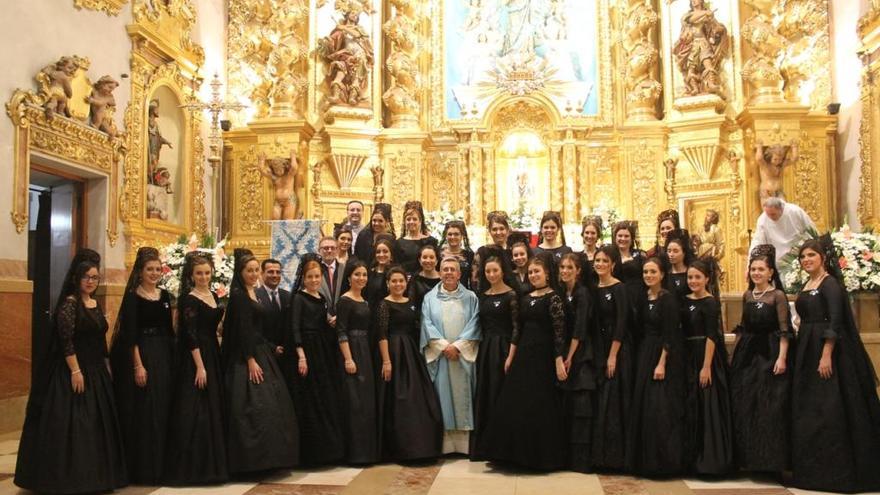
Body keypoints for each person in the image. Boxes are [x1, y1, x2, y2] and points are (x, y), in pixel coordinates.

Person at [15, 257, 128, 493]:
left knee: (97, 425)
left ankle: (97, 476)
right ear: (77, 279)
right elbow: (66, 341)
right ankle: (69, 478)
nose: (91, 281)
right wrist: (75, 370)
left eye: (95, 277)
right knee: (75, 424)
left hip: (96, 369)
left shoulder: (94, 303)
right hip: (73, 369)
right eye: (86, 277)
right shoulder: (69, 303)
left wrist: (107, 365)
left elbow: (99, 339)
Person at [790, 237, 880, 492]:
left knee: (830, 410)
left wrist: (826, 353)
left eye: (811, 256)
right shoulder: (808, 283)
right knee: (810, 410)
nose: (806, 260)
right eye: (803, 257)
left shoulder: (830, 285)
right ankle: (813, 471)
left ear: (823, 258)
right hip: (807, 350)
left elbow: (836, 321)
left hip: (827, 354)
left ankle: (837, 473)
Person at [481, 253, 568, 470]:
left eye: (537, 271)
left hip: (544, 355)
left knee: (539, 403)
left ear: (547, 273)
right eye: (530, 272)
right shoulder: (526, 297)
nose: (533, 275)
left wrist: (558, 360)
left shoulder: (554, 298)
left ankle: (538, 456)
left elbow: (559, 332)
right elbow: (517, 329)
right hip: (523, 356)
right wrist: (511, 356)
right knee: (515, 401)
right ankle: (511, 455)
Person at [222, 249, 299, 474]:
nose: (254, 274)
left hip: (261, 351)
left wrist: (270, 347)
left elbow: (256, 330)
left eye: (256, 270)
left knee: (273, 407)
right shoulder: (238, 294)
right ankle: (252, 462)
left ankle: (270, 459)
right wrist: (250, 360)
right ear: (241, 272)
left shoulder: (252, 291)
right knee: (253, 407)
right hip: (247, 356)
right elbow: (243, 331)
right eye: (250, 270)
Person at [110, 246, 174, 484]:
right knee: (146, 411)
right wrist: (138, 365)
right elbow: (130, 334)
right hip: (143, 354)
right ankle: (143, 468)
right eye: (150, 269)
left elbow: (169, 330)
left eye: (158, 269)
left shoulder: (165, 296)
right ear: (140, 271)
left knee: (163, 407)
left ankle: (162, 466)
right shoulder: (132, 297)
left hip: (164, 355)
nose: (155, 273)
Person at [164, 252, 228, 484]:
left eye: (207, 273)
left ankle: (214, 465)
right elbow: (190, 335)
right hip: (196, 356)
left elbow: (215, 327)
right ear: (191, 276)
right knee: (195, 409)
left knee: (213, 408)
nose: (203, 277)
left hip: (213, 351)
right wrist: (200, 367)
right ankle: (193, 468)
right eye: (199, 273)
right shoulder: (189, 299)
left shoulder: (212, 294)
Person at [730, 245, 792, 474]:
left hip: (770, 353)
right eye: (753, 269)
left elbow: (784, 329)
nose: (756, 273)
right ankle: (750, 459)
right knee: (747, 404)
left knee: (769, 407)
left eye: (760, 269)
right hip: (748, 354)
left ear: (770, 273)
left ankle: (770, 462)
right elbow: (743, 327)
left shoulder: (777, 296)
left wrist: (782, 358)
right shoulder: (747, 295)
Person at [376, 267, 444, 461]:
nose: (398, 284)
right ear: (388, 284)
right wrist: (387, 361)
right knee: (398, 399)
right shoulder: (384, 304)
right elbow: (382, 334)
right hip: (394, 352)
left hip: (411, 352)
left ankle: (421, 446)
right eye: (394, 281)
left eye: (401, 281)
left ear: (406, 284)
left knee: (419, 399)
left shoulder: (411, 303)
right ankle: (399, 448)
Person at [626, 256, 686, 475]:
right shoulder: (644, 297)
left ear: (662, 275)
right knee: (644, 407)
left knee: (659, 409)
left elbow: (670, 333)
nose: (648, 276)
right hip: (645, 352)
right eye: (645, 272)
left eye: (653, 272)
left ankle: (663, 463)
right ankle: (644, 461)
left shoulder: (667, 299)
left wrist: (662, 363)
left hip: (662, 355)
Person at [288, 254, 346, 466]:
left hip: (322, 352)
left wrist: (330, 322)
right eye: (310, 276)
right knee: (311, 399)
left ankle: (329, 451)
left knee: (325, 397)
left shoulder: (321, 299)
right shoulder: (299, 299)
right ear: (303, 278)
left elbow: (321, 324)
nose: (314, 280)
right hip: (308, 352)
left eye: (317, 276)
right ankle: (312, 454)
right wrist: (301, 355)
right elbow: (295, 327)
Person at [421, 257, 481, 454]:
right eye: (445, 269)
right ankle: (445, 446)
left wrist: (458, 347)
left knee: (463, 397)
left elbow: (475, 324)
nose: (448, 273)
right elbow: (426, 325)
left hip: (462, 357)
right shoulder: (430, 298)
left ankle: (463, 447)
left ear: (459, 274)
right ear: (439, 272)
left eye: (452, 270)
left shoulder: (471, 297)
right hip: (441, 357)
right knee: (442, 397)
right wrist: (445, 347)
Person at [682, 260, 733, 474]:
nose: (693, 281)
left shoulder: (710, 302)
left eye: (697, 277)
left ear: (707, 279)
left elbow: (712, 335)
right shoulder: (683, 300)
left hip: (705, 356)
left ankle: (708, 461)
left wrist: (706, 366)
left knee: (706, 405)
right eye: (690, 277)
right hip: (687, 355)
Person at [471, 248, 518, 461]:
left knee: (500, 393)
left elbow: (517, 328)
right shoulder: (482, 295)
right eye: (488, 271)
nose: (491, 275)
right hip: (485, 349)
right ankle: (484, 446)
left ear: (502, 271)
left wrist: (510, 355)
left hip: (503, 349)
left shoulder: (511, 295)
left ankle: (502, 446)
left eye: (495, 271)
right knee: (485, 392)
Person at [591, 245, 634, 470]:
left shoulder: (619, 288)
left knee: (615, 401)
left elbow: (622, 322)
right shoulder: (593, 288)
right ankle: (602, 456)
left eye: (604, 261)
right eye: (597, 260)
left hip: (617, 350)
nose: (599, 264)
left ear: (613, 265)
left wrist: (613, 355)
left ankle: (618, 457)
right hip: (599, 347)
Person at [336, 260, 381, 464]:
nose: (361, 278)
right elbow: (341, 330)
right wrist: (348, 359)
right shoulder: (345, 300)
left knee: (365, 402)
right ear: (348, 278)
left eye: (364, 274)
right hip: (352, 350)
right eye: (357, 275)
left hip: (365, 350)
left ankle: (367, 452)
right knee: (354, 403)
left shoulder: (364, 301)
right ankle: (354, 454)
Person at [558, 253, 596, 473]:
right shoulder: (564, 292)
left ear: (578, 270)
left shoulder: (583, 293)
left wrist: (570, 356)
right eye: (562, 267)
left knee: (581, 408)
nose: (565, 271)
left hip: (580, 353)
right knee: (568, 407)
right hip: (565, 351)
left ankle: (581, 460)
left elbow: (580, 328)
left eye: (569, 267)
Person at [748, 197, 816, 264]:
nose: (770, 217)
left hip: (800, 255)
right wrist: (750, 262)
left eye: (773, 214)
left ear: (780, 209)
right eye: (768, 214)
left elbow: (811, 230)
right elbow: (757, 242)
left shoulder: (795, 211)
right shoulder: (763, 219)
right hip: (778, 260)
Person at [255, 258, 290, 360]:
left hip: (286, 353)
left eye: (278, 272)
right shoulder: (254, 296)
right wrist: (273, 348)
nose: (275, 275)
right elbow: (254, 329)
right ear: (262, 274)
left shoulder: (288, 296)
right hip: (263, 352)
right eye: (270, 272)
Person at [394, 200, 439, 274]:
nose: (411, 222)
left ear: (420, 221)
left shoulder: (431, 241)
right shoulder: (399, 243)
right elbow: (397, 265)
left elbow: (436, 264)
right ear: (405, 222)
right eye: (408, 219)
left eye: (414, 219)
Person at [474, 211, 512, 290]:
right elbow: (475, 279)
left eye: (502, 229)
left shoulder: (514, 251)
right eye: (494, 229)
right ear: (489, 231)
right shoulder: (482, 252)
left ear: (507, 230)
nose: (498, 232)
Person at [439, 220, 475, 290]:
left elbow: (473, 280)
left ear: (462, 236)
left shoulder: (470, 255)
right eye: (450, 234)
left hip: (463, 295)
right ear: (446, 235)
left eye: (456, 234)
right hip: (442, 295)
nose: (453, 237)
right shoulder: (438, 254)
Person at [317, 237, 345, 316]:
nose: (329, 250)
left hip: (341, 318)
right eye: (326, 248)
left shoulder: (345, 269)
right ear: (319, 251)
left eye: (332, 248)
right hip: (319, 318)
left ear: (337, 250)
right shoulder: (312, 270)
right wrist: (327, 316)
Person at [408, 244, 441, 309]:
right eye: (425, 257)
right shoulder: (415, 278)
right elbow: (411, 302)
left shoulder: (443, 279)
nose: (428, 261)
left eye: (431, 257)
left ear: (437, 261)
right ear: (420, 260)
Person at [365, 236, 395, 307]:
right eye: (378, 252)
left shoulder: (396, 273)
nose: (381, 254)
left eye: (385, 251)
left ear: (391, 255)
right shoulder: (370, 272)